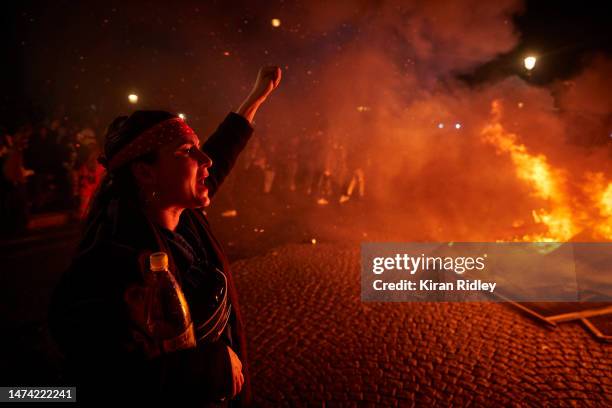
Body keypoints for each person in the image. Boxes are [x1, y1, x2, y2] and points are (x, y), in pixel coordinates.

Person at [49, 66, 281, 406]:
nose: (207, 161)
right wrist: (208, 366)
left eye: (199, 148)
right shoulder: (112, 260)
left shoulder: (186, 217)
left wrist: (255, 97)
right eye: (186, 152)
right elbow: (96, 384)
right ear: (145, 172)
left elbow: (224, 148)